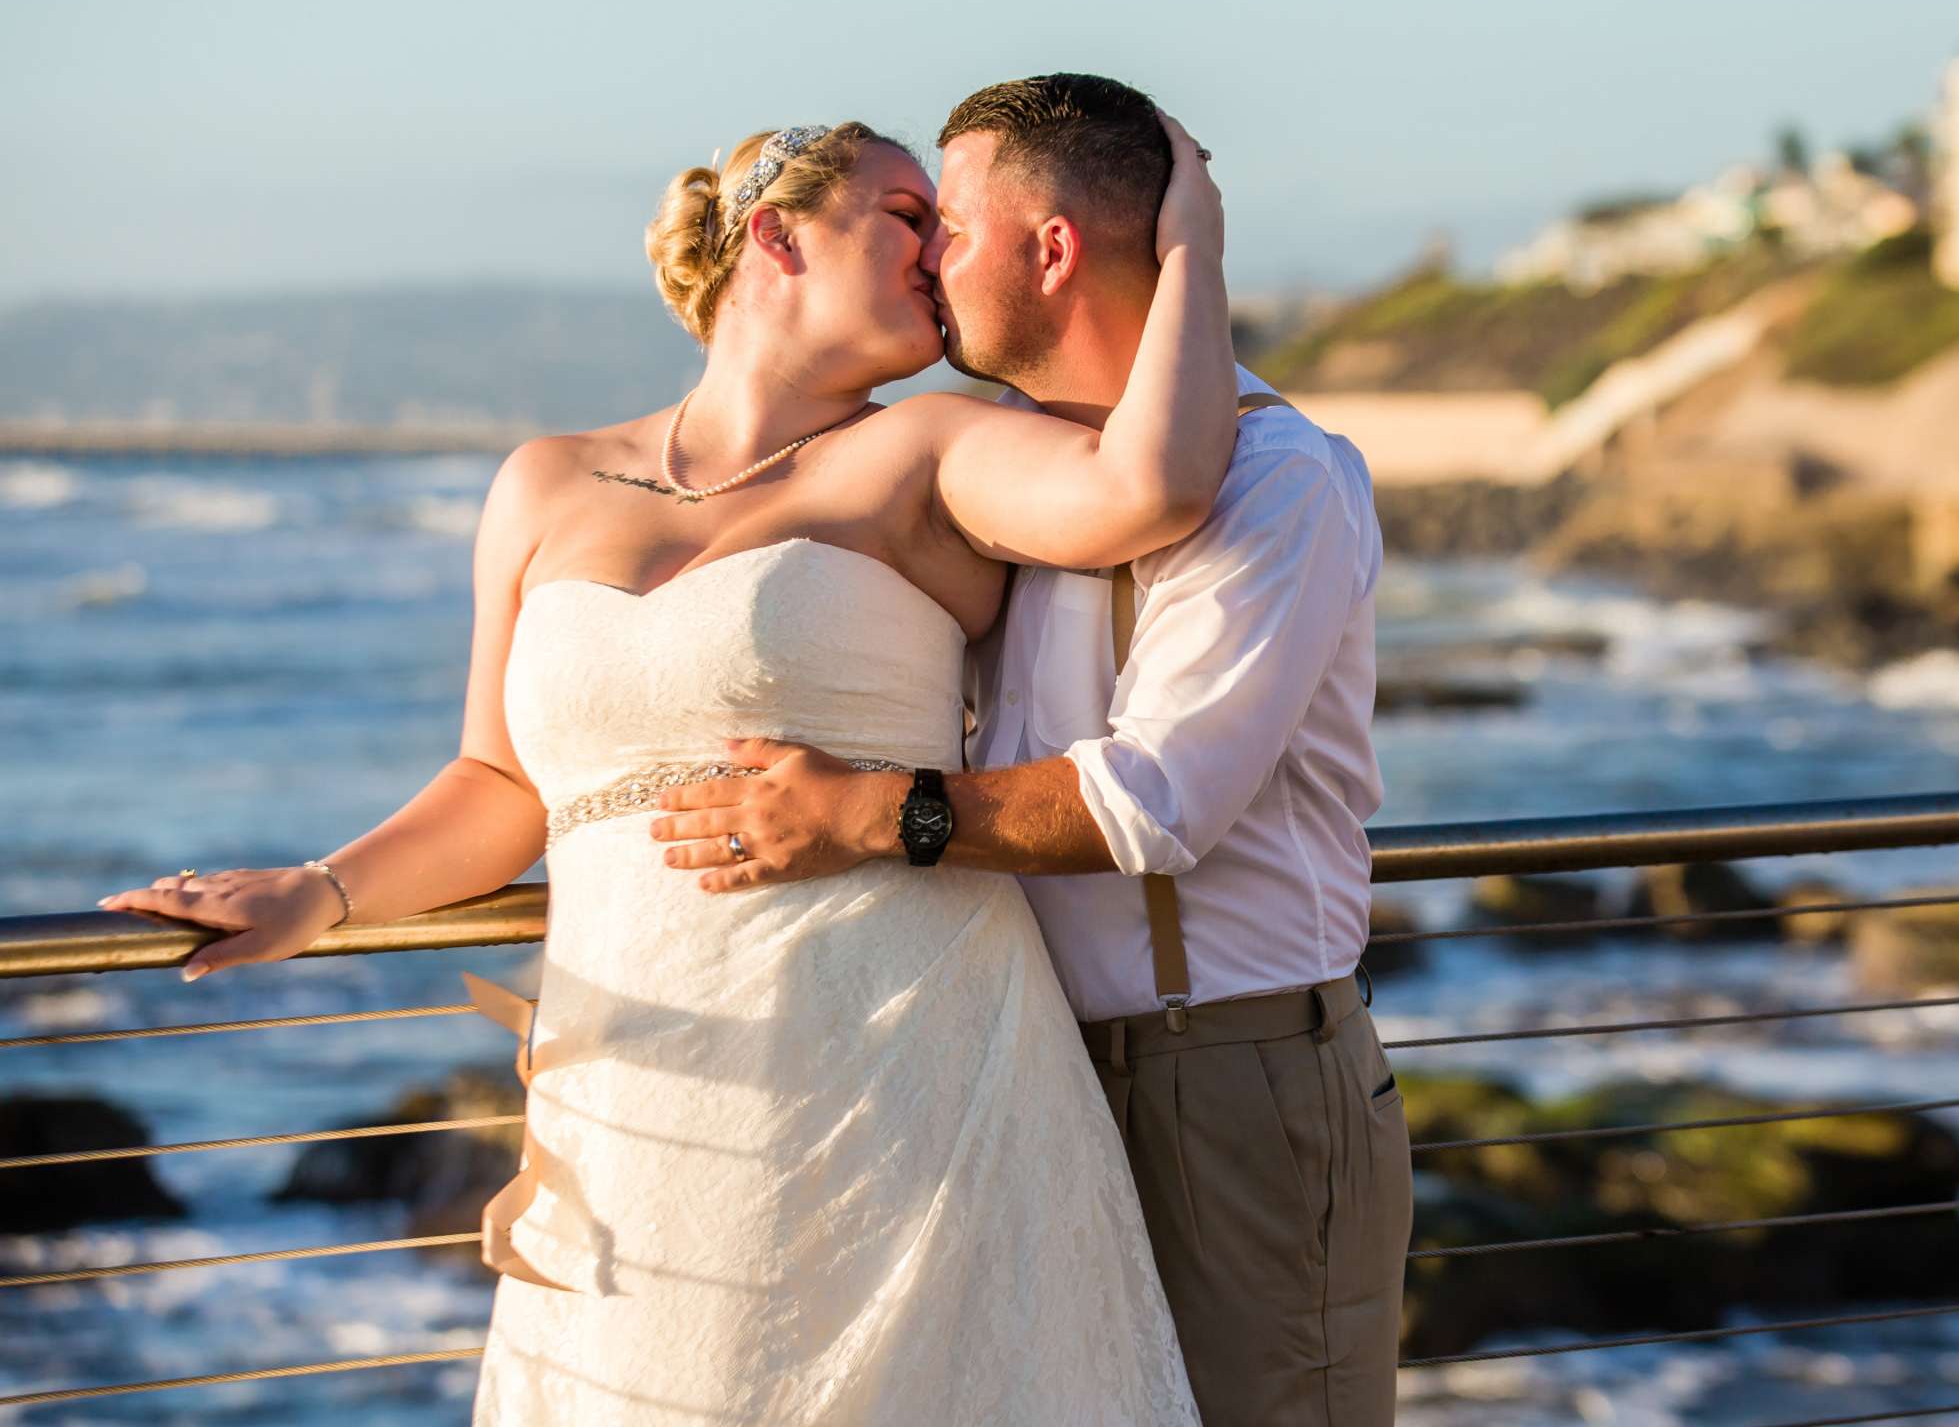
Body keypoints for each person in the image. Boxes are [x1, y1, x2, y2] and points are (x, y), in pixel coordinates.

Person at [99, 115, 1234, 1423]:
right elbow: (500, 784)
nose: (947, 250)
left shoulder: (927, 451)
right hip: (641, 1090)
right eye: (911, 217)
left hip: (902, 1072)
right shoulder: (545, 483)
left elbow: (1157, 482)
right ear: (779, 234)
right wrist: (323, 892)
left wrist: (1193, 236)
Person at [651, 74, 1411, 1427]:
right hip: (1005, 1071)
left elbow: (1154, 804)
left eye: (945, 224)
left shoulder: (1276, 477)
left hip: (1215, 1083)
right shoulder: (1010, 477)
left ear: (1051, 250)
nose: (922, 258)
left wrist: (864, 813)